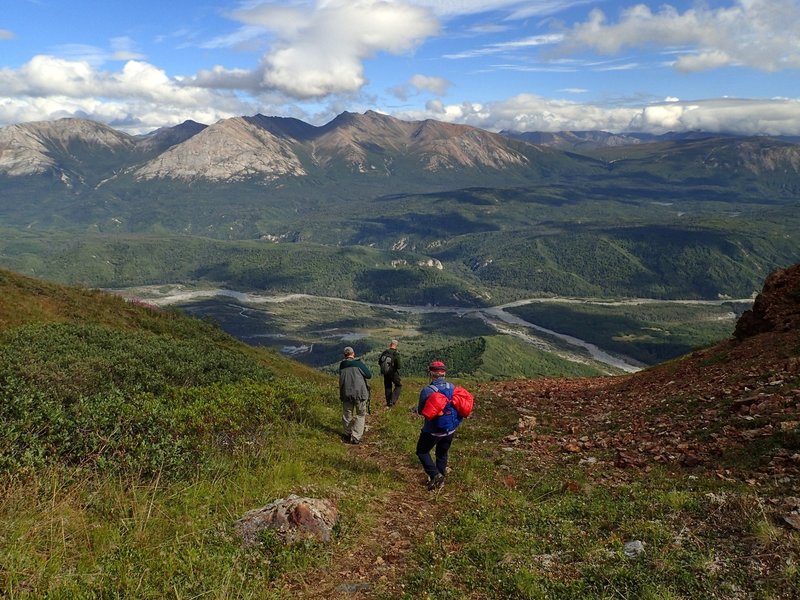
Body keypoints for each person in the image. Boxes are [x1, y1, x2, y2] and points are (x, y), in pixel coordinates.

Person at [414, 360, 466, 490]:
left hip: (433, 430)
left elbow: (421, 411)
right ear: (444, 373)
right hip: (450, 429)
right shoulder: (452, 387)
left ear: (431, 374)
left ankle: (435, 474)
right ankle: (440, 480)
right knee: (442, 454)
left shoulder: (428, 390)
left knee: (422, 451)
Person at [339, 346, 372, 444]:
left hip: (346, 393)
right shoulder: (359, 364)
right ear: (353, 354)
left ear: (344, 355)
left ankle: (347, 433)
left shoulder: (342, 365)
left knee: (347, 414)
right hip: (360, 393)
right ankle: (356, 437)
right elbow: (369, 375)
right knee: (360, 414)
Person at [378, 339, 402, 407]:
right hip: (393, 373)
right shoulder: (396, 354)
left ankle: (388, 403)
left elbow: (379, 362)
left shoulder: (385, 352)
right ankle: (393, 400)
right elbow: (399, 366)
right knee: (398, 385)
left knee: (388, 387)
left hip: (386, 372)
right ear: (396, 346)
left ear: (390, 344)